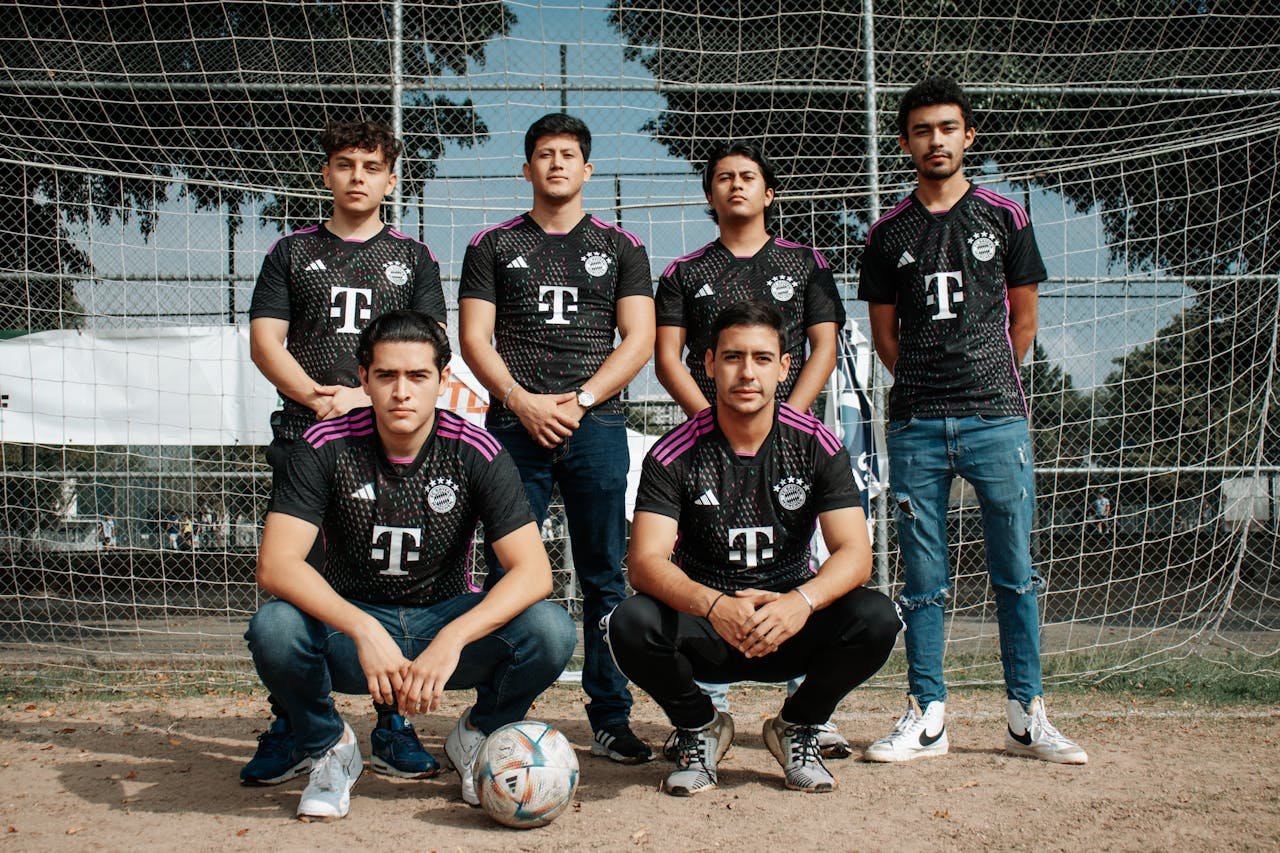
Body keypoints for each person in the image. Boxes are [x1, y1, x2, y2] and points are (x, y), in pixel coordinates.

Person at [243, 310, 575, 820]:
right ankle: (330, 747)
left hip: (438, 623)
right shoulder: (324, 444)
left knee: (550, 629)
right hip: (351, 632)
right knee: (274, 626)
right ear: (363, 379)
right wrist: (361, 628)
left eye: (418, 376)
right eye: (387, 376)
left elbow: (533, 572)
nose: (402, 392)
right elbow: (277, 564)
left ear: (443, 381)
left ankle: (479, 736)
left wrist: (453, 637)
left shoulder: (475, 449)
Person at [858, 77, 1088, 764]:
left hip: (998, 419)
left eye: (948, 127)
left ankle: (1027, 716)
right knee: (922, 578)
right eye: (923, 129)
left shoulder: (1005, 216)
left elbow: (1024, 322)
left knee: (1015, 572)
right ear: (905, 142)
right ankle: (927, 714)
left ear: (968, 136)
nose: (936, 140)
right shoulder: (887, 232)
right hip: (917, 422)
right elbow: (884, 334)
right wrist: (930, 383)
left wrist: (985, 378)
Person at [605, 301, 900, 796]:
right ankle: (700, 726)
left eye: (762, 359)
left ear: (785, 367)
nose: (747, 372)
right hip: (708, 628)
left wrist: (799, 602)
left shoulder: (816, 445)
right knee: (629, 622)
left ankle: (798, 726)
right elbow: (645, 562)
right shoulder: (674, 451)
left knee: (877, 616)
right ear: (709, 364)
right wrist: (714, 605)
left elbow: (855, 552)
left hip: (786, 623)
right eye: (732, 357)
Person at [243, 120, 448, 785]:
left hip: (390, 441)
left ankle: (393, 721)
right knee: (296, 579)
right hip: (306, 435)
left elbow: (432, 344)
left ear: (392, 180)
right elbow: (267, 339)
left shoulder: (414, 258)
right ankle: (299, 722)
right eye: (344, 164)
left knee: (390, 575)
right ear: (325, 174)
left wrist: (366, 402)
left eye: (371, 165)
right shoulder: (290, 252)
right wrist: (316, 395)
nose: (357, 176)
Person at [459, 112, 657, 764]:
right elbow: (474, 338)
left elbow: (639, 339)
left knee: (604, 576)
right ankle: (498, 715)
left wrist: (582, 399)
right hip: (515, 426)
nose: (556, 163)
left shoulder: (621, 247)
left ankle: (609, 715)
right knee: (509, 574)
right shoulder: (491, 245)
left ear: (587, 169)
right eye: (544, 153)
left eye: (569, 153)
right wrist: (520, 399)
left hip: (594, 425)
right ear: (526, 168)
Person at [654, 140, 851, 757]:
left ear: (770, 193)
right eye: (722, 178)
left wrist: (784, 417)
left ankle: (808, 709)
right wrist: (711, 425)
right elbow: (667, 357)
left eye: (748, 177)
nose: (735, 185)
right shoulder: (685, 271)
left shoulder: (807, 262)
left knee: (800, 558)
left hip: (784, 433)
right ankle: (709, 704)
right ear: (710, 195)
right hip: (713, 431)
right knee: (704, 552)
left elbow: (823, 345)